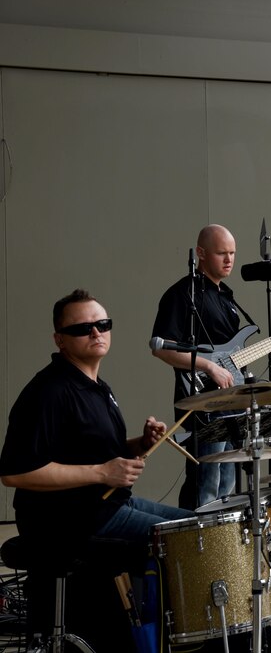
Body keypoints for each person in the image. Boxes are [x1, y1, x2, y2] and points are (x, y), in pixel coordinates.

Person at [0, 289, 191, 554]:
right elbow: (15, 473)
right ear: (60, 340)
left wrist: (141, 444)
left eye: (103, 325)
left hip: (108, 506)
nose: (96, 333)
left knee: (199, 526)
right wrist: (102, 473)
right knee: (188, 543)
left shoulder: (97, 386)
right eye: (82, 328)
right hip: (68, 521)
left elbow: (88, 452)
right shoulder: (49, 391)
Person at [152, 224, 247, 510]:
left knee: (228, 480)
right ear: (201, 254)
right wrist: (208, 367)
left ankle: (222, 544)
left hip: (231, 402)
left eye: (232, 253)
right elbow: (160, 348)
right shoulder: (182, 295)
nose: (229, 259)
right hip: (201, 403)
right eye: (221, 253)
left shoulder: (227, 297)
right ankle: (196, 541)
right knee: (206, 480)